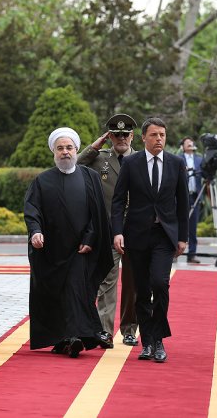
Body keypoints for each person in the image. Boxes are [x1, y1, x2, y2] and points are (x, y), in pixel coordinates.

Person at [24, 127, 114, 358]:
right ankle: (65, 338)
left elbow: (97, 213)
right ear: (54, 152)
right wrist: (35, 232)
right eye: (60, 148)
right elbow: (32, 211)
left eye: (69, 148)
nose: (65, 152)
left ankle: (75, 336)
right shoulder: (42, 181)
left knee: (75, 289)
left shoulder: (90, 177)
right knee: (59, 294)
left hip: (80, 249)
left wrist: (90, 238)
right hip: (52, 251)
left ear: (76, 150)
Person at [111, 117, 190, 363]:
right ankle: (148, 342)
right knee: (142, 290)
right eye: (154, 135)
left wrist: (183, 237)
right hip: (136, 235)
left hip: (164, 235)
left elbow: (183, 202)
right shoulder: (131, 163)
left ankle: (158, 339)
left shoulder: (176, 163)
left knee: (160, 283)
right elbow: (118, 200)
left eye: (162, 135)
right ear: (143, 137)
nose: (159, 139)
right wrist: (117, 232)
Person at [77, 113, 140, 347]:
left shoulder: (142, 159)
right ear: (109, 137)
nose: (121, 138)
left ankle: (129, 329)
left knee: (133, 283)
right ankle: (104, 330)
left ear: (132, 136)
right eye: (116, 135)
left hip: (135, 230)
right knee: (106, 281)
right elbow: (75, 166)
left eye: (125, 134)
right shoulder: (100, 158)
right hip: (108, 230)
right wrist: (94, 147)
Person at [181, 137, 203, 263]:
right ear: (182, 146)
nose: (190, 143)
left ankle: (192, 254)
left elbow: (205, 174)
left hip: (195, 196)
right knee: (178, 223)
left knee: (193, 226)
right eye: (187, 142)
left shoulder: (199, 159)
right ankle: (173, 252)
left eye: (191, 142)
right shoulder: (178, 158)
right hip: (182, 196)